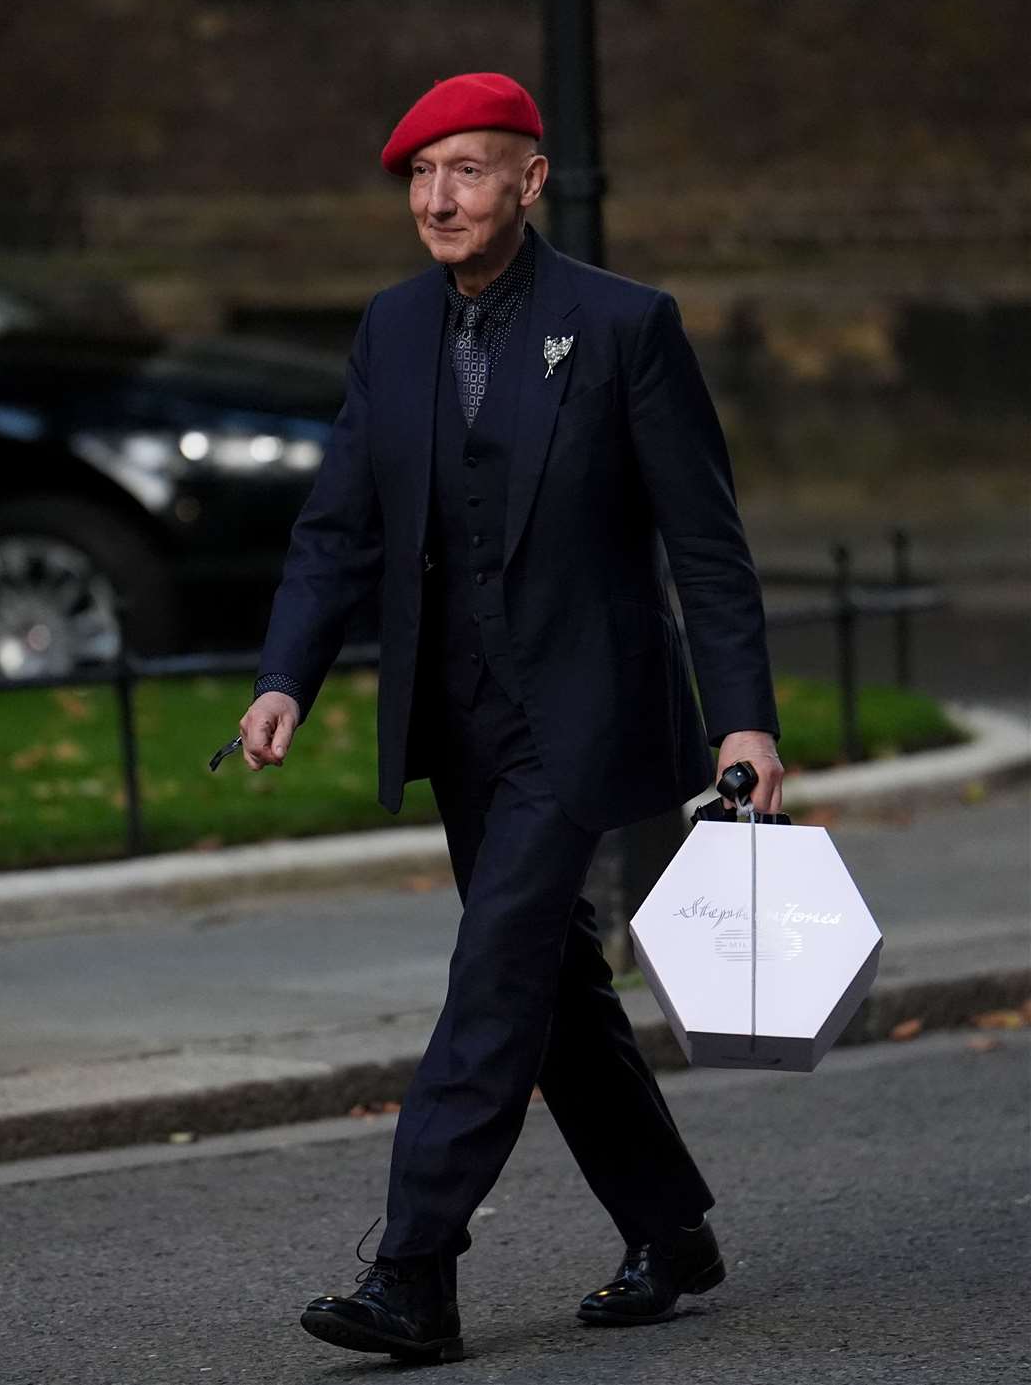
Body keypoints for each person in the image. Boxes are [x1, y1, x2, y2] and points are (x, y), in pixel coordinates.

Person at [239, 71, 783, 1365]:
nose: (438, 198)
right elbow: (339, 526)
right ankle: (671, 1225)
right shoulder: (389, 330)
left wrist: (745, 718)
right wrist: (284, 677)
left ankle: (414, 1271)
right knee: (551, 982)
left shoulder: (624, 324)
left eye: (467, 171)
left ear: (530, 183)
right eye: (421, 178)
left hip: (585, 715)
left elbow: (707, 545)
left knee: (491, 976)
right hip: (463, 714)